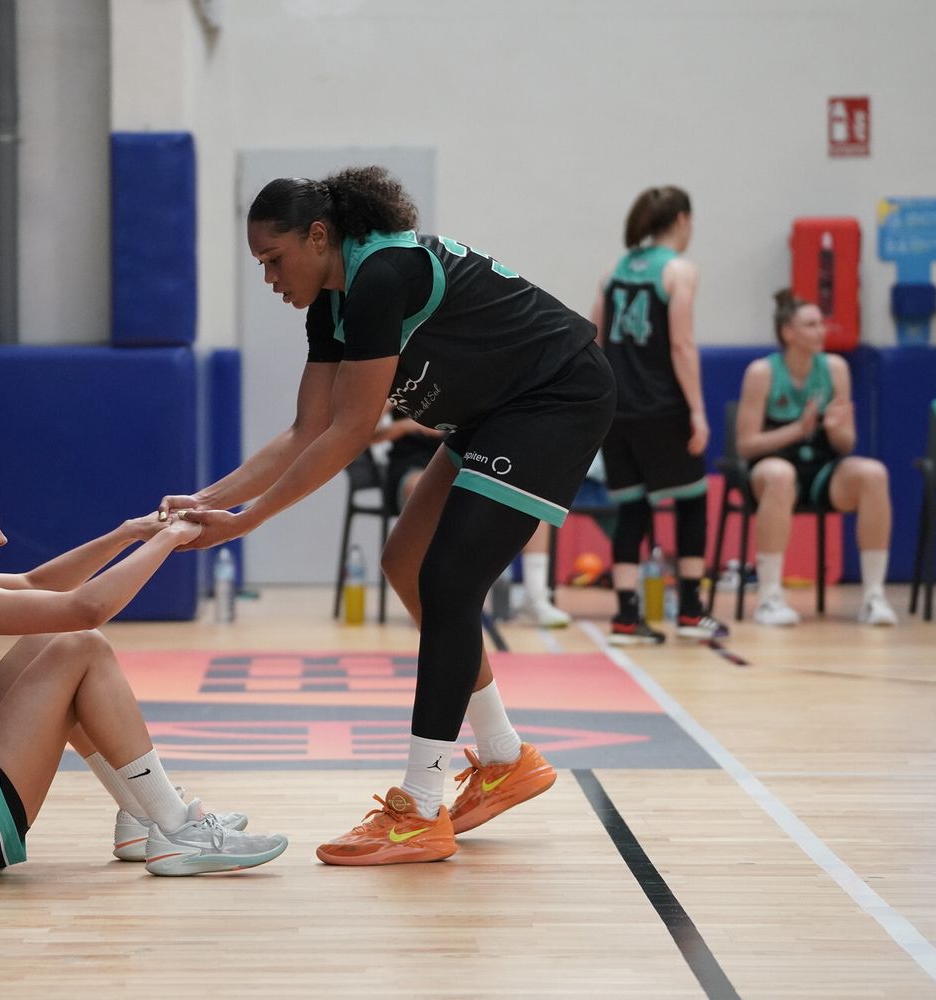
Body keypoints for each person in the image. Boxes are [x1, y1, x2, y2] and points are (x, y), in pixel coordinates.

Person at [161, 166, 614, 866]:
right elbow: (305, 427)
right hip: (496, 410)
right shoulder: (334, 302)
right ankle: (502, 757)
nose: (269, 277)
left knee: (451, 581)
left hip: (555, 395)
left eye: (274, 259)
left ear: (319, 236)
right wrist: (210, 499)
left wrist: (247, 522)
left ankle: (419, 808)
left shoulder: (382, 277)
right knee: (407, 561)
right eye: (258, 264)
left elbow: (346, 433)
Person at [0, 460, 288, 878]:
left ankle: (141, 813)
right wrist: (171, 539)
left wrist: (130, 533)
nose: (0, 537)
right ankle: (174, 828)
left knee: (51, 640)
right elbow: (88, 608)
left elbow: (37, 584)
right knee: (81, 645)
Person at [591, 186, 729, 645]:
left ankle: (627, 618)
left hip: (617, 408)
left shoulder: (613, 270)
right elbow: (681, 344)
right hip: (660, 405)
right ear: (683, 220)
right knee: (690, 501)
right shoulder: (679, 270)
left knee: (632, 508)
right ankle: (690, 611)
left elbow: (594, 339)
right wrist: (698, 410)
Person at [735, 292, 897, 626]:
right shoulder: (762, 372)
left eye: (821, 324)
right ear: (788, 333)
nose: (821, 331)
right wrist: (798, 429)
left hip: (822, 469)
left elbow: (847, 443)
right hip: (771, 467)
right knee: (780, 475)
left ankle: (874, 597)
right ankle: (769, 598)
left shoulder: (835, 368)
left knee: (874, 474)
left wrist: (837, 429)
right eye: (810, 325)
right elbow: (746, 444)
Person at [377, 408, 569, 628]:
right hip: (412, 465)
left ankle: (535, 596)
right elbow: (363, 434)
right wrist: (403, 427)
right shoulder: (394, 382)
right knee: (427, 489)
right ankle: (433, 593)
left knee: (532, 498)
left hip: (465, 459)